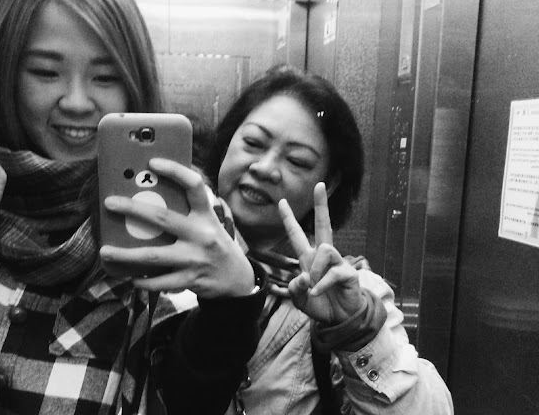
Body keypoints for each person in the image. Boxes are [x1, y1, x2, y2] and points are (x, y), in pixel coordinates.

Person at [0, 0, 267, 415]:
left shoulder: (188, 213)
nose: (77, 101)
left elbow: (188, 401)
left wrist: (232, 305)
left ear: (133, 81)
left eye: (106, 77)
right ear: (6, 74)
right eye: (46, 72)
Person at [103, 65, 454, 414]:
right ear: (227, 144)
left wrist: (356, 333)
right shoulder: (154, 256)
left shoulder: (341, 293)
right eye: (253, 143)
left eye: (297, 161)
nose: (265, 168)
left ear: (329, 183)